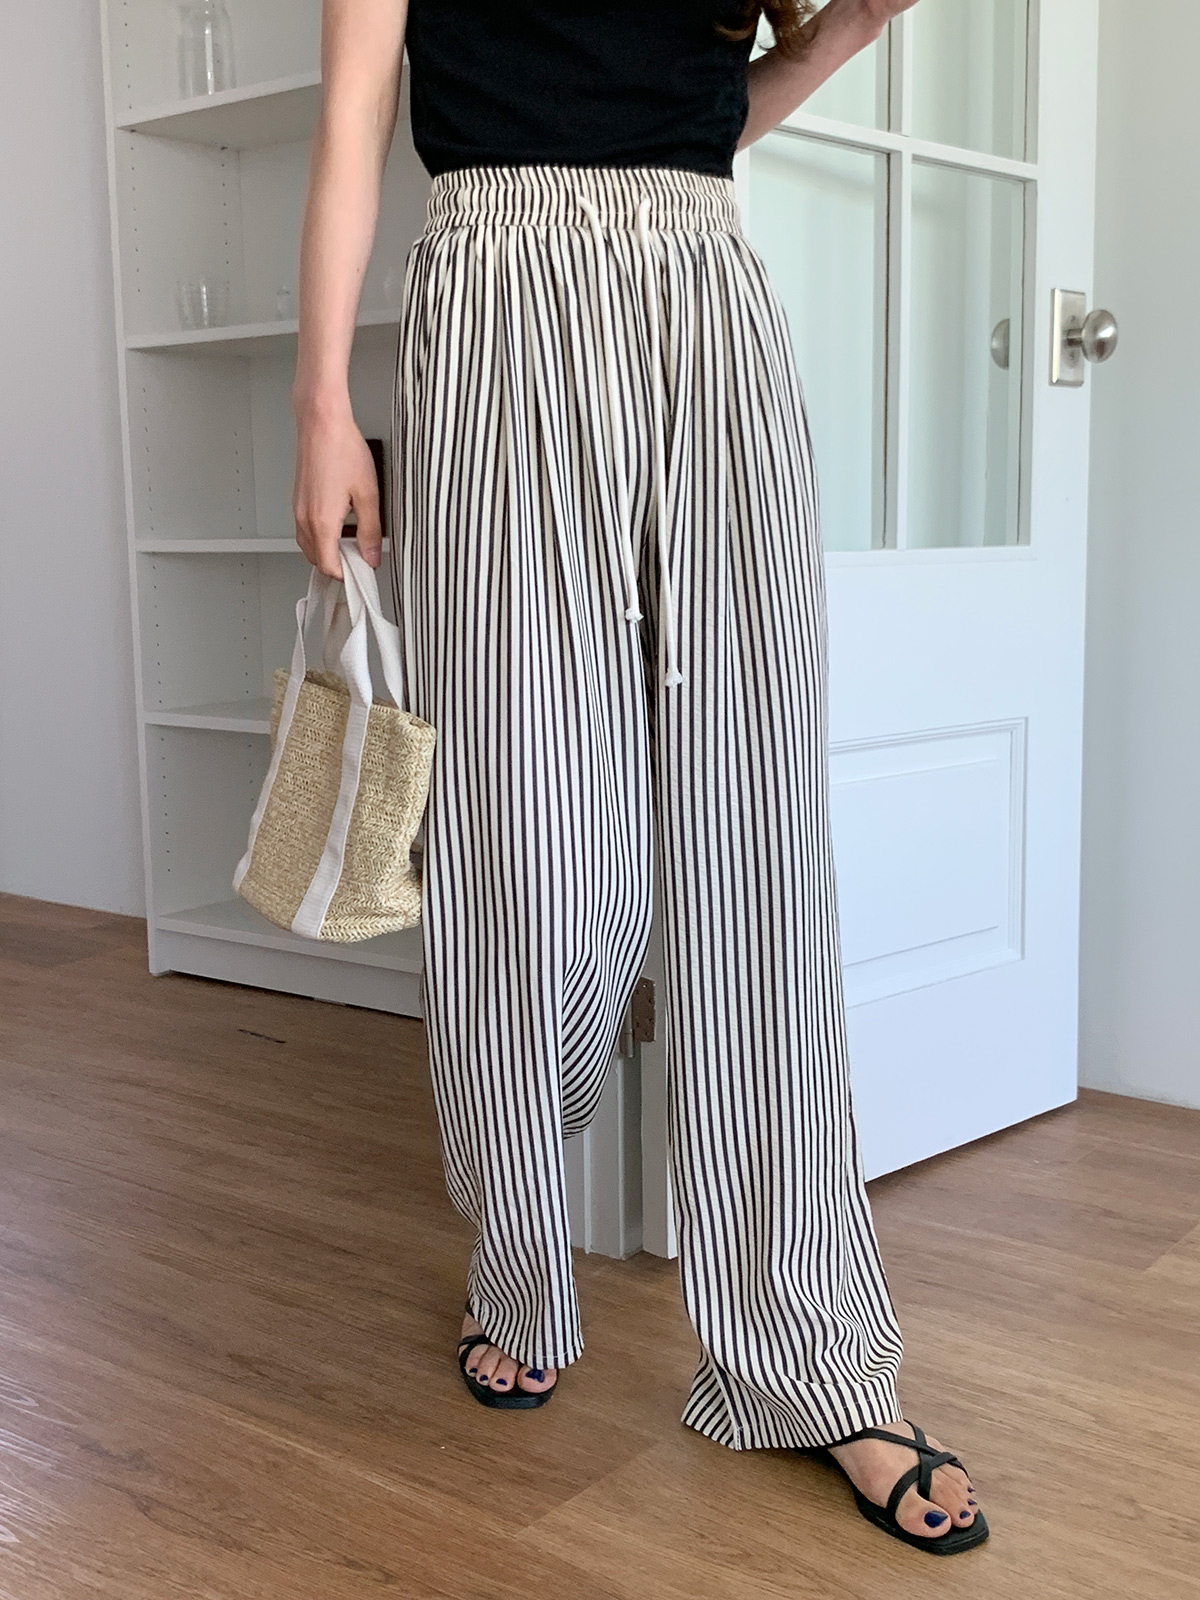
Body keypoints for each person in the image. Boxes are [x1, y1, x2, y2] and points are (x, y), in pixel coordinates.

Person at [291, 0, 987, 1556]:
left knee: (756, 846)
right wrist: (323, 405)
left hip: (706, 303)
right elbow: (348, 120)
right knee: (532, 859)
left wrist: (839, 35)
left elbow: (695, 121)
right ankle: (520, 1257)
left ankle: (812, 1354)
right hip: (496, 304)